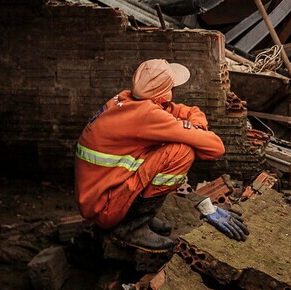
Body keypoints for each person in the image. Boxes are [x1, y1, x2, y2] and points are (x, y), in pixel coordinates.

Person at [76, 59, 247, 251]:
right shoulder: (148, 116)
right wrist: (195, 131)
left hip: (99, 197)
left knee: (172, 144)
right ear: (163, 96)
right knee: (181, 152)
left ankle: (140, 214)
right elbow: (216, 147)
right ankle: (131, 227)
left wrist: (193, 125)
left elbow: (190, 111)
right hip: (106, 209)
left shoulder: (125, 99)